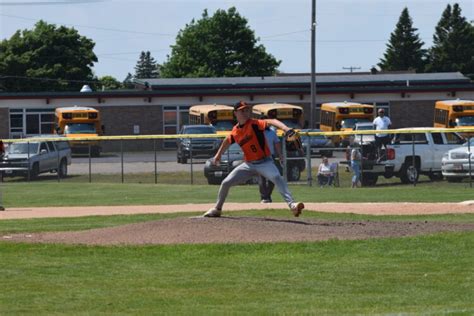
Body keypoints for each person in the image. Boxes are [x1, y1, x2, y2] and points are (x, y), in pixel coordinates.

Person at [203, 101, 305, 218]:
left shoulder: (254, 124)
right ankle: (217, 209)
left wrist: (286, 129)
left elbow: (271, 121)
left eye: (247, 110)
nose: (245, 112)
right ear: (235, 113)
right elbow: (227, 140)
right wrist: (218, 155)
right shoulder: (236, 131)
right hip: (248, 165)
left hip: (265, 162)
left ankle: (293, 206)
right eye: (242, 110)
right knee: (226, 183)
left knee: (277, 178)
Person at [258, 126, 283, 203]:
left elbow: (277, 143)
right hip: (259, 156)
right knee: (262, 177)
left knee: (273, 177)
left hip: (270, 156)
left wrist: (280, 154)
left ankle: (267, 196)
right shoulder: (256, 132)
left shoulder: (272, 132)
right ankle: (264, 197)